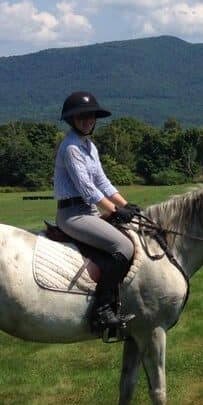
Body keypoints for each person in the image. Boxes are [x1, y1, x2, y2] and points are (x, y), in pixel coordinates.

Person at [54, 90, 141, 334]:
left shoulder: (89, 146)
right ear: (72, 120)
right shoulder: (71, 147)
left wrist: (126, 205)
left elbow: (103, 183)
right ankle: (102, 311)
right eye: (82, 117)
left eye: (91, 116)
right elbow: (87, 189)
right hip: (73, 214)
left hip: (89, 211)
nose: (88, 120)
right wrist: (114, 211)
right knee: (123, 247)